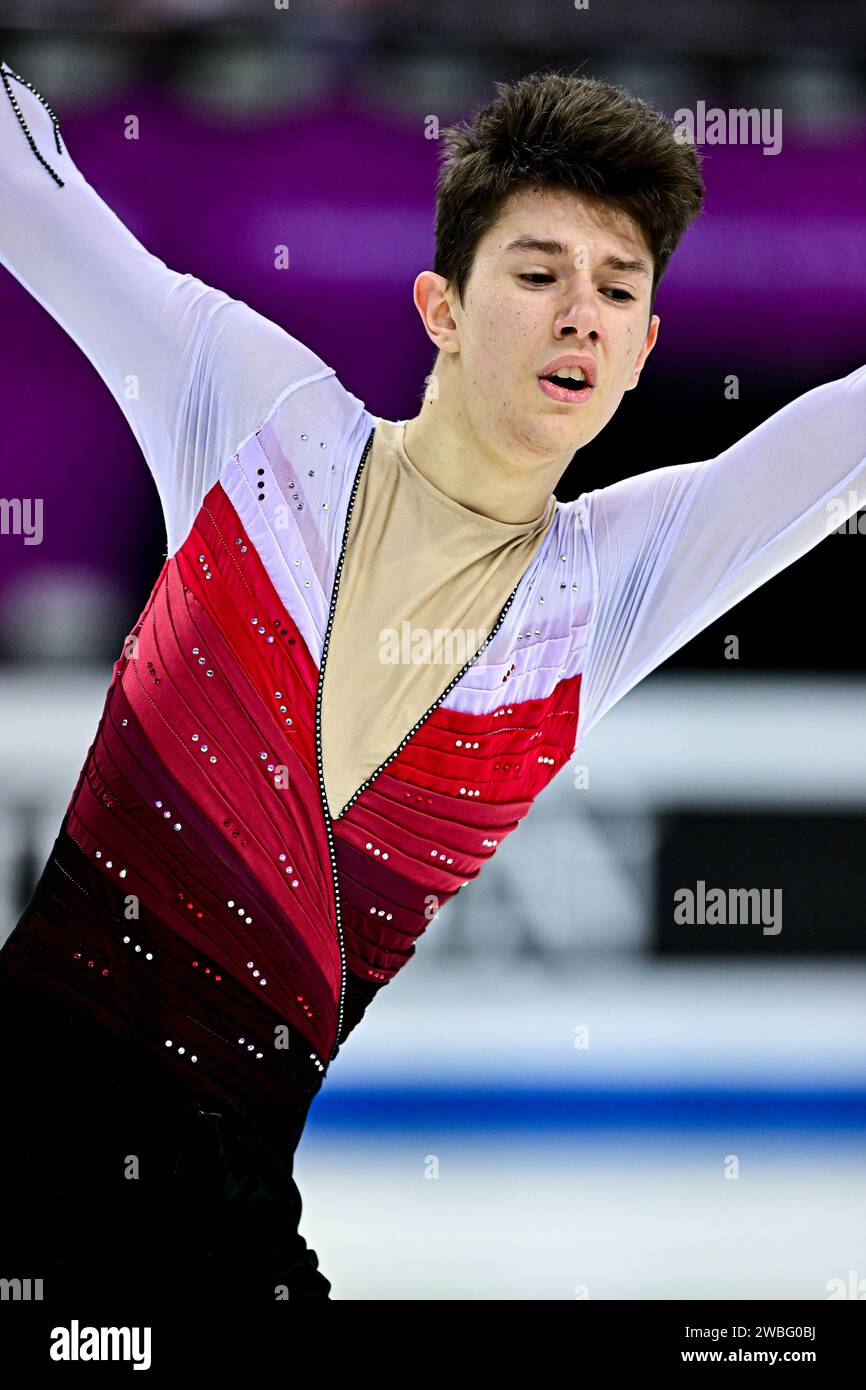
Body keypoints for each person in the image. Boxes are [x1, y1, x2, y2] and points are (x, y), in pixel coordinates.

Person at [0, 59, 864, 1309]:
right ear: (441, 307)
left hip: (216, 1236)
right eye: (536, 273)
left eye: (617, 290)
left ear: (643, 351)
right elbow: (39, 196)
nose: (581, 313)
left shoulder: (607, 594)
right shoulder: (261, 425)